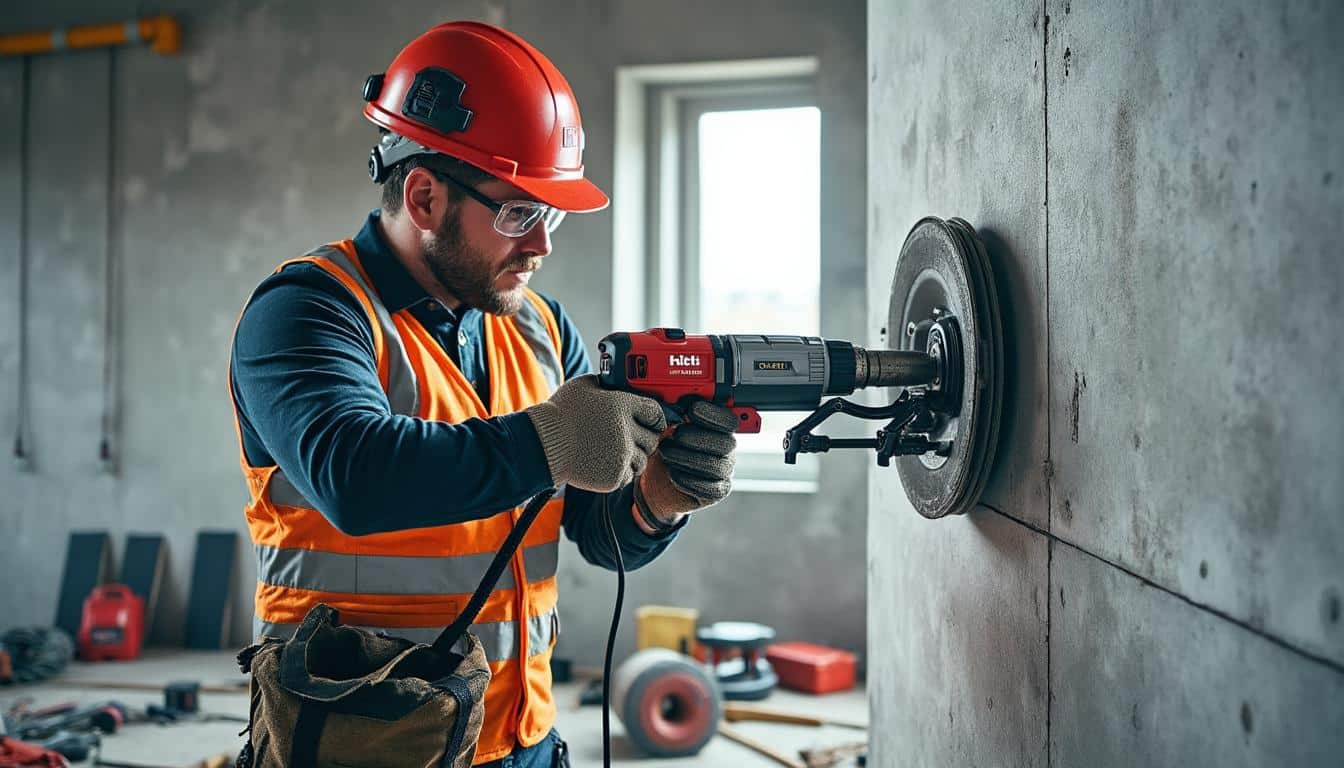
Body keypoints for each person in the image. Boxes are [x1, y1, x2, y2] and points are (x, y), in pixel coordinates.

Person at [227, 20, 739, 768]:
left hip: (520, 737)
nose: (542, 245)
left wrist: (656, 498)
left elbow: (594, 531)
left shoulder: (536, 325)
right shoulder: (307, 311)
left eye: (550, 214)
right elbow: (354, 476)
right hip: (357, 739)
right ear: (426, 197)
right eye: (518, 213)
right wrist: (555, 439)